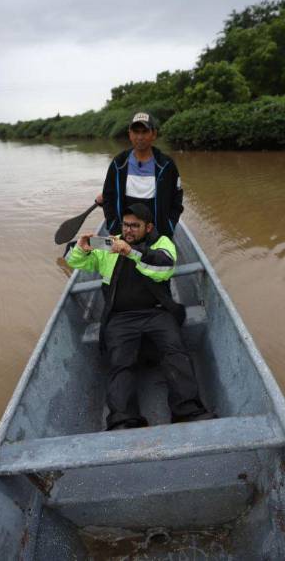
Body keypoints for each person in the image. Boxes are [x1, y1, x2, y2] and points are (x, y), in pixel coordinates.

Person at [66, 203, 215, 430]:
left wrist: (131, 252)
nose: (128, 230)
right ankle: (123, 419)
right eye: (126, 225)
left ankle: (187, 411)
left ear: (148, 227)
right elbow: (74, 262)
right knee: (119, 361)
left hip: (157, 312)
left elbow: (163, 268)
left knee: (175, 351)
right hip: (120, 316)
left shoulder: (162, 243)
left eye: (135, 226)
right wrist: (82, 249)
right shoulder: (109, 244)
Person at [99, 112, 184, 238]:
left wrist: (168, 227)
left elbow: (176, 199)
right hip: (124, 234)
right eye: (136, 132)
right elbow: (108, 197)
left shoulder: (166, 165)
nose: (140, 137)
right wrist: (113, 227)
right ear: (130, 134)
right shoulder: (118, 163)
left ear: (153, 134)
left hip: (158, 234)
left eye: (144, 132)